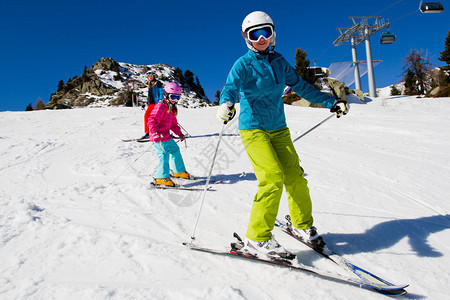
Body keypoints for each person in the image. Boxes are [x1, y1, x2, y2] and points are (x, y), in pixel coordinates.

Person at [217, 11, 349, 260]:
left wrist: (331, 101)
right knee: (272, 177)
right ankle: (257, 237)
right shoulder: (243, 64)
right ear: (247, 38)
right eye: (254, 34)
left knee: (295, 177)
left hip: (278, 128)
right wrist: (226, 104)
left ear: (272, 32)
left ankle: (301, 224)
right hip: (253, 129)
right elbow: (230, 88)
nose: (261, 38)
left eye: (265, 31)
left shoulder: (280, 62)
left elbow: (302, 87)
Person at [148, 82, 192, 187]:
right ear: (166, 95)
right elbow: (152, 120)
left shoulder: (171, 108)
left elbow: (173, 124)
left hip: (166, 137)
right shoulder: (160, 106)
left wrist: (180, 134)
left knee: (175, 150)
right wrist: (154, 133)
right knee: (164, 155)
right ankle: (161, 178)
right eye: (173, 97)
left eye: (178, 97)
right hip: (158, 137)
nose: (175, 100)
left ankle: (178, 171)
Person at [142, 74, 164, 139]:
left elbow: (161, 91)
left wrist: (161, 99)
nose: (150, 78)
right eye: (148, 76)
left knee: (158, 118)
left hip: (157, 103)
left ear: (154, 76)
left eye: (151, 76)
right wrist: (146, 102)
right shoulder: (149, 84)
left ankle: (162, 132)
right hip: (151, 104)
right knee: (147, 116)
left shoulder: (157, 83)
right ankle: (148, 132)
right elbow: (149, 95)